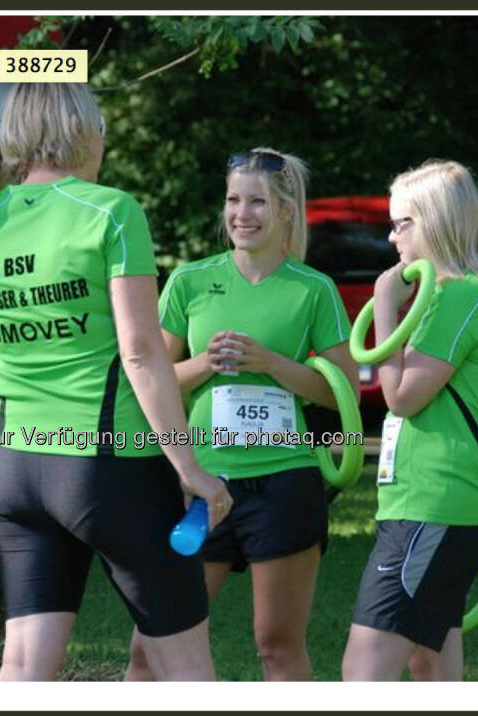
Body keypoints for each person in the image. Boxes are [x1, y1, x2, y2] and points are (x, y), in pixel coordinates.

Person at [0, 83, 232, 681]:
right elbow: (143, 353)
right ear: (84, 131)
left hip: (16, 468)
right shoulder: (111, 210)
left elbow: (32, 239)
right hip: (106, 465)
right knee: (186, 671)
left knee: (22, 671)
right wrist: (190, 469)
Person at [124, 148, 360, 681]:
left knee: (276, 646)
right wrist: (205, 363)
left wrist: (271, 364)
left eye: (258, 202)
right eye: (234, 200)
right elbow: (147, 381)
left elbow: (340, 393)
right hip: (201, 484)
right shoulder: (188, 281)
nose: (242, 213)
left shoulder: (312, 288)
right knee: (151, 647)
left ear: (285, 213)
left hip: (284, 486)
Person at [341, 160, 478, 681]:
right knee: (432, 669)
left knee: (361, 674)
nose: (392, 237)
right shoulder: (458, 297)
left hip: (432, 508)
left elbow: (400, 396)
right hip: (431, 507)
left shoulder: (458, 297)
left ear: (435, 222)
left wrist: (384, 307)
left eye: (402, 223)